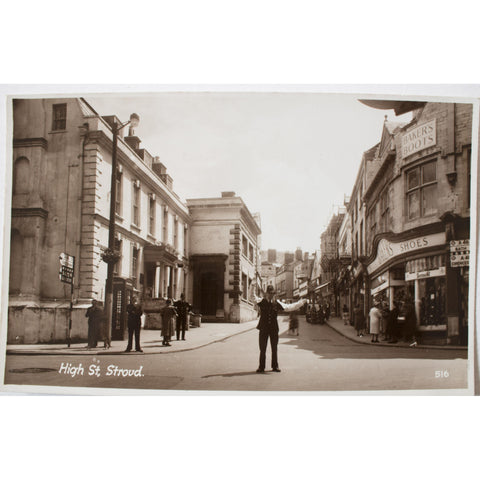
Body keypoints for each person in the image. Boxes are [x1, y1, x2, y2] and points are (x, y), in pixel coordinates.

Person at [251, 285, 307, 373]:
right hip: (263, 329)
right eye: (270, 293)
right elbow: (253, 298)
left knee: (274, 348)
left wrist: (300, 303)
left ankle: (275, 366)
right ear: (266, 294)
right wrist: (253, 288)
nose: (271, 295)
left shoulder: (277, 303)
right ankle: (261, 367)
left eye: (273, 294)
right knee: (262, 348)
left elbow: (289, 307)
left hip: (273, 329)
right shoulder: (262, 301)